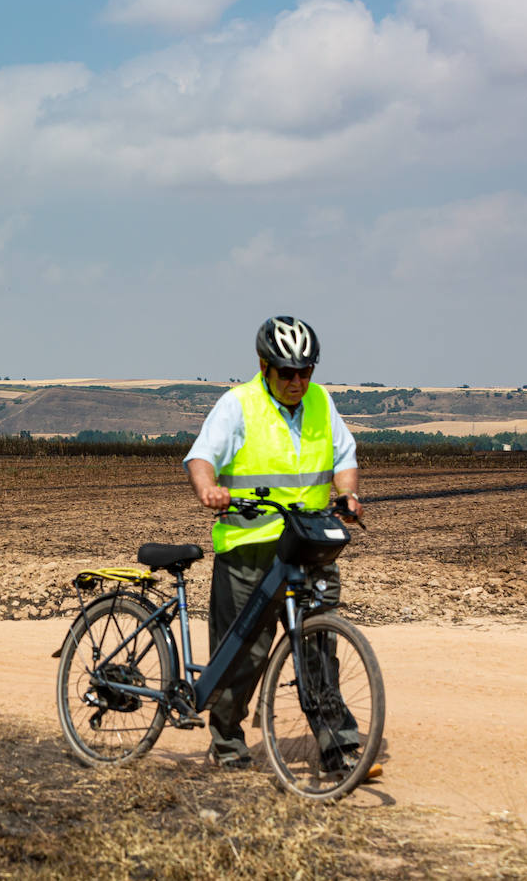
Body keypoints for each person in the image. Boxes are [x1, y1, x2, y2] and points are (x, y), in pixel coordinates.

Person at [184, 316, 366, 771]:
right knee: (244, 652)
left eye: (306, 371)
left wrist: (348, 493)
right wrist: (209, 489)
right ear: (264, 366)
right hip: (250, 548)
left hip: (308, 543)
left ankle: (337, 746)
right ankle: (227, 742)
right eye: (287, 372)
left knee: (318, 645)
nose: (298, 381)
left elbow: (344, 457)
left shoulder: (322, 402)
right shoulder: (237, 405)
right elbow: (201, 456)